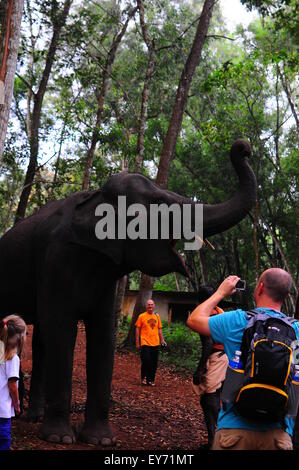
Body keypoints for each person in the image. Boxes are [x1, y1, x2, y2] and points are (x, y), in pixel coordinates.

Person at [186, 268, 299, 450]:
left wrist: (220, 292)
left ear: (260, 288)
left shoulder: (238, 320)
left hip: (233, 432)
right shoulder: (297, 330)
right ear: (286, 295)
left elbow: (194, 319)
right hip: (279, 435)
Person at [192, 286, 228, 449]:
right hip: (226, 357)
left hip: (217, 357)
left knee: (209, 398)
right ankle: (216, 439)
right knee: (214, 397)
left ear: (200, 300)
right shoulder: (220, 311)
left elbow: (208, 343)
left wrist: (200, 369)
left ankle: (215, 441)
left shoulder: (207, 314)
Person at [0, 315, 27, 451]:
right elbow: (12, 385)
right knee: (3, 442)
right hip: (2, 411)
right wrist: (17, 405)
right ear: (19, 338)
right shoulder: (12, 359)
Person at [135, 299, 167, 386]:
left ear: (154, 306)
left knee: (154, 362)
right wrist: (138, 342)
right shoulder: (141, 316)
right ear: (146, 306)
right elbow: (137, 329)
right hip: (145, 342)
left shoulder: (157, 316)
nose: (150, 306)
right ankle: (144, 378)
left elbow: (159, 329)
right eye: (148, 304)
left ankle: (151, 379)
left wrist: (162, 340)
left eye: (151, 304)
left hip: (155, 342)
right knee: (146, 360)